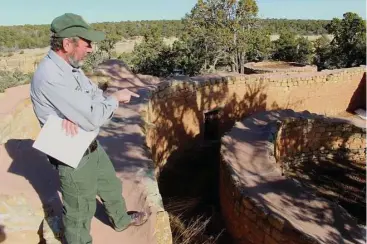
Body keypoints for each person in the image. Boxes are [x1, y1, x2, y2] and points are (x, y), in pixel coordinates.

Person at [30, 13, 148, 244]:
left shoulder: (70, 68)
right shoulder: (51, 76)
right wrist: (114, 99)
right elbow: (93, 116)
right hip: (71, 154)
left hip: (88, 142)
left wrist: (86, 111)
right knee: (79, 210)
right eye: (87, 43)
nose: (91, 49)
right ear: (67, 44)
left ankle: (121, 220)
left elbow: (93, 95)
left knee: (110, 185)